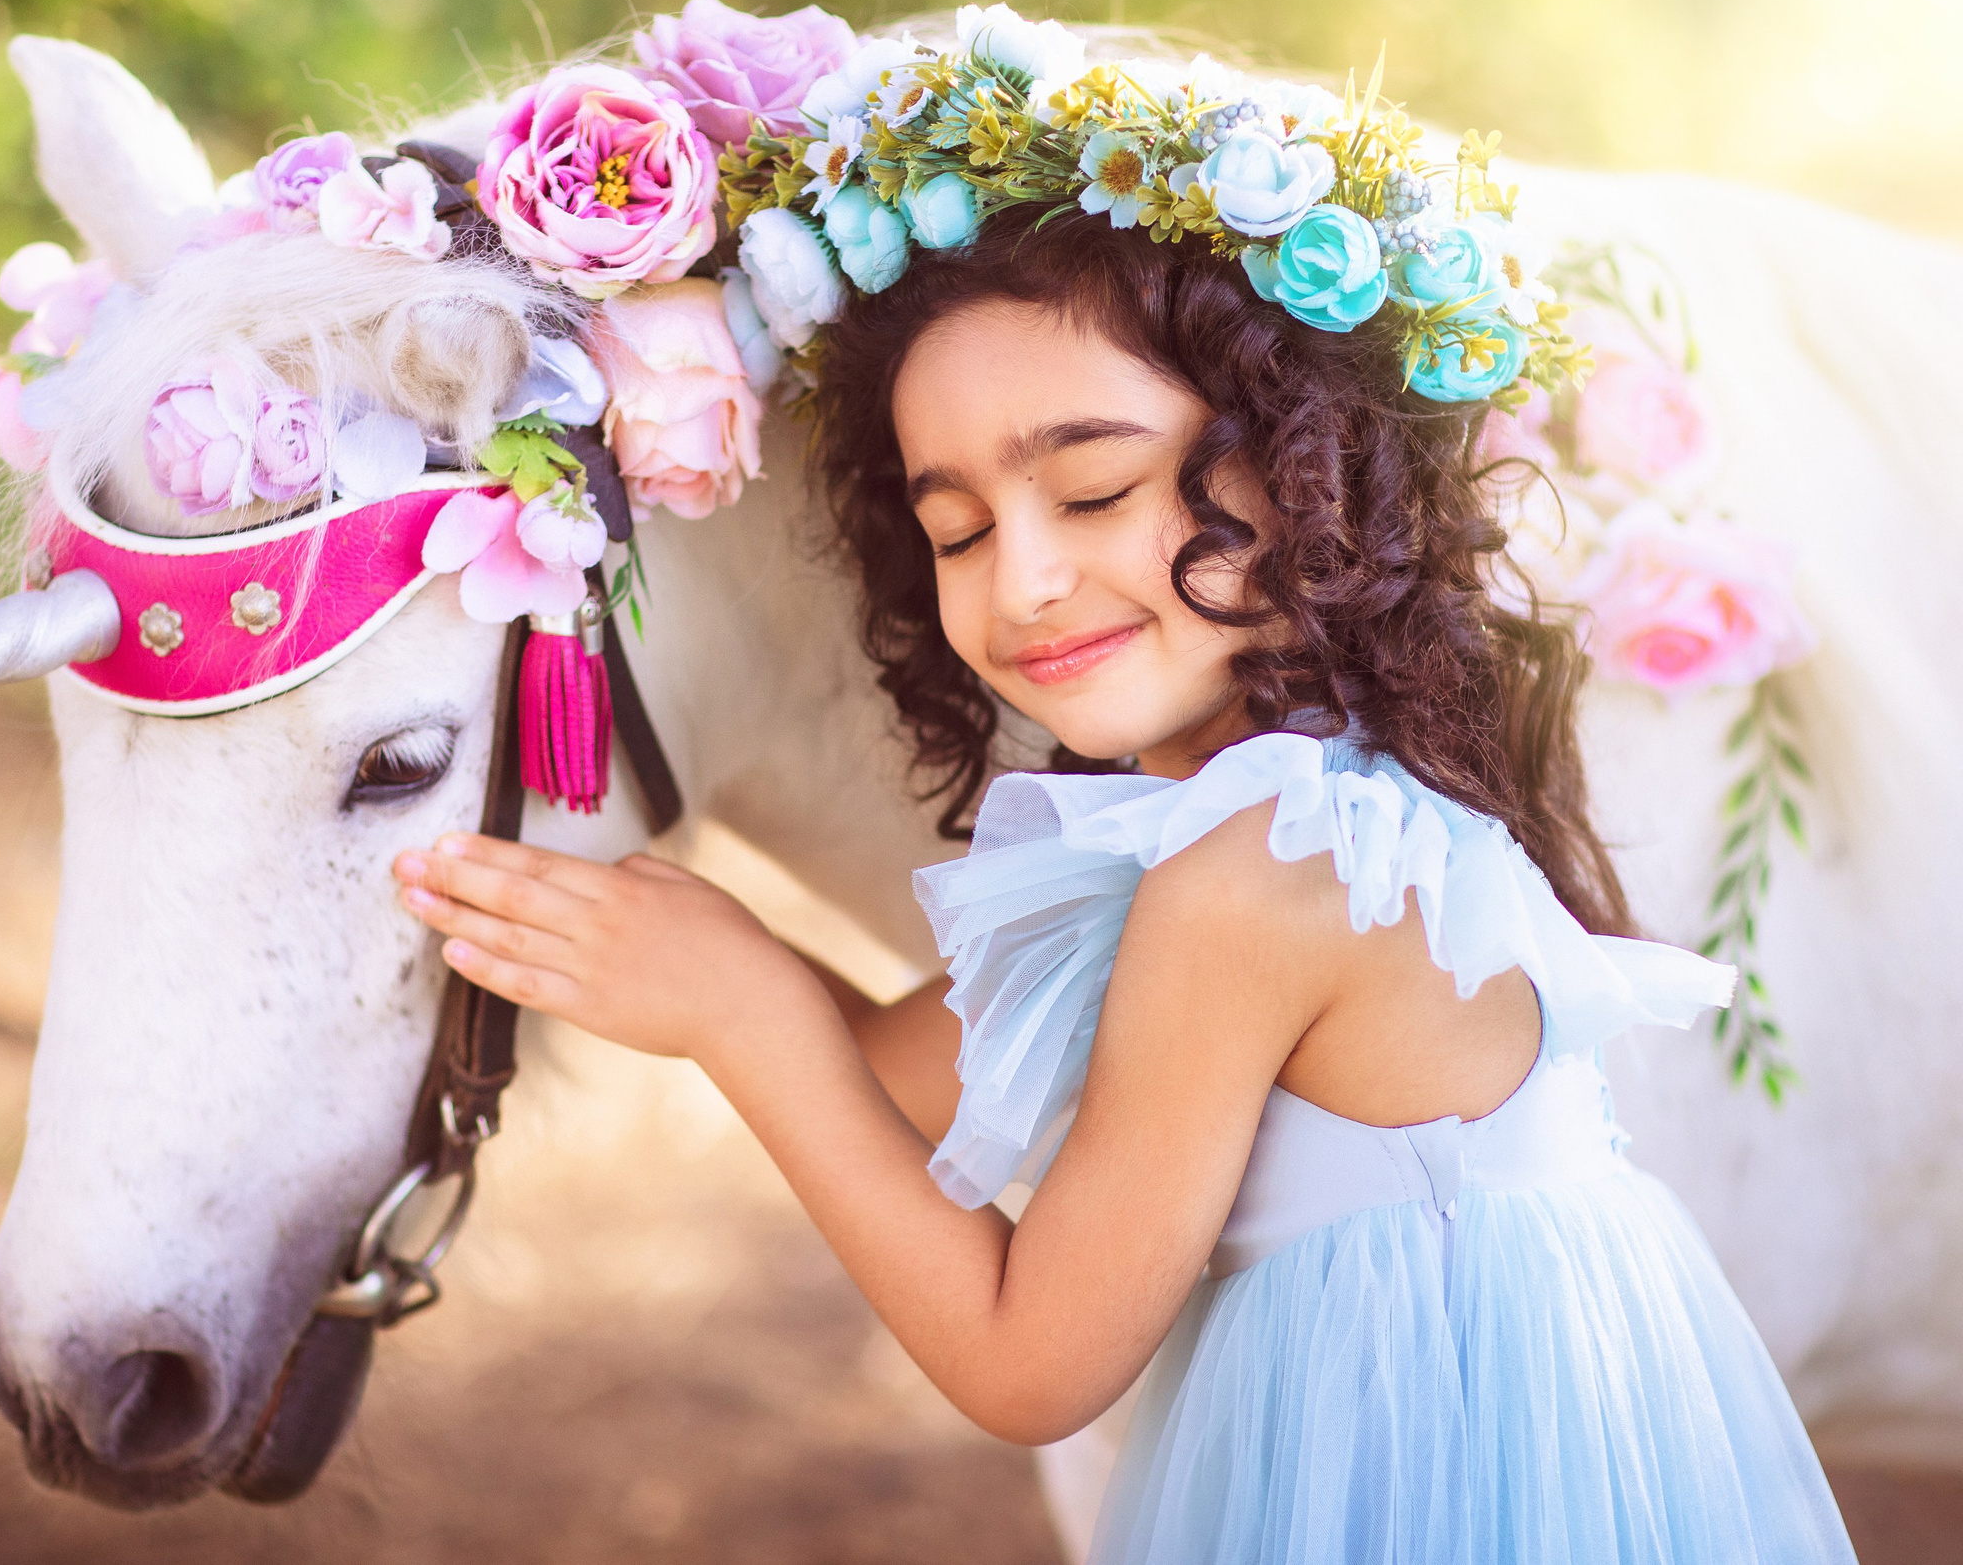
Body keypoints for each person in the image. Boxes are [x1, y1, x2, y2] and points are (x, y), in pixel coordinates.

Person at [390, 79, 1858, 1558]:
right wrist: (696, 956)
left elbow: (1028, 1362)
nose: (1018, 580)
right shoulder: (1236, 819)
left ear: (1305, 472)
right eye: (954, 527)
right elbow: (903, 1085)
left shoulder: (1269, 877)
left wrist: (740, 1009)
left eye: (1090, 491)